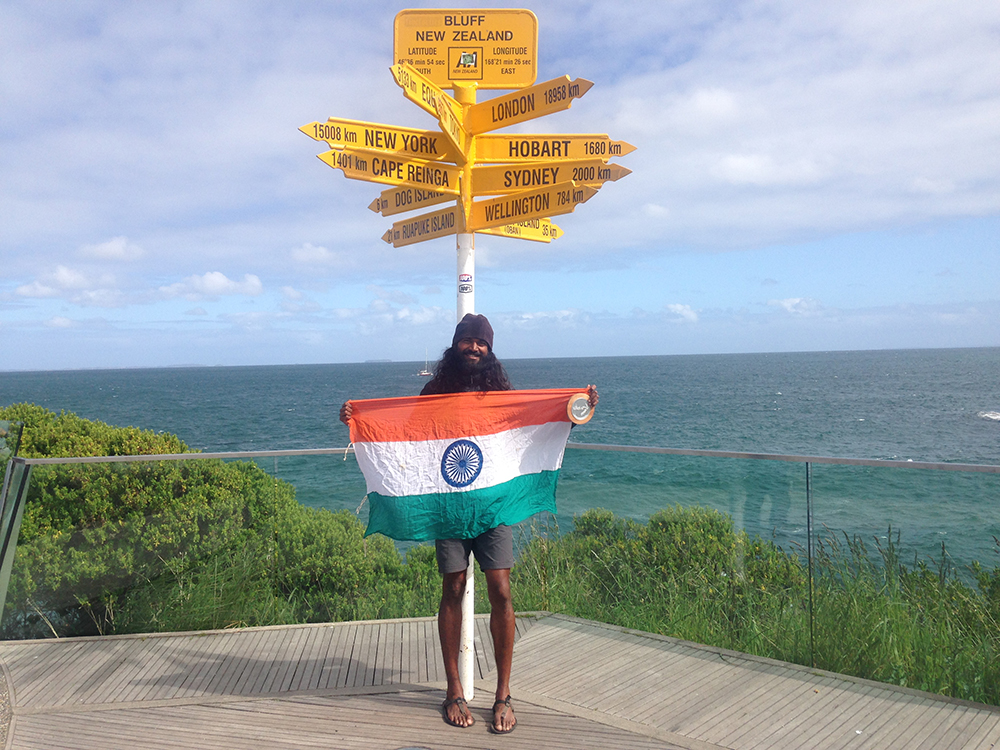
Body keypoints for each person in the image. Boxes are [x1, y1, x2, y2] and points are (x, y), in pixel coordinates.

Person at [340, 313, 597, 734]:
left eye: (481, 343)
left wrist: (572, 410)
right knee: (453, 587)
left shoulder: (501, 391)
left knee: (501, 588)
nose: (474, 348)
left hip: (493, 506)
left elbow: (528, 431)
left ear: (489, 349)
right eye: (468, 341)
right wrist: (357, 418)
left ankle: (503, 694)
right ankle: (453, 689)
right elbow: (402, 433)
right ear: (455, 344)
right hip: (449, 508)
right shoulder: (434, 390)